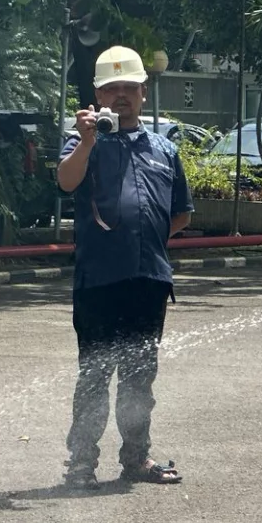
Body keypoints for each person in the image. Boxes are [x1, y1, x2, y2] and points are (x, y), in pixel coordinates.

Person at [55, 45, 193, 488]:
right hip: (98, 283)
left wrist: (145, 242)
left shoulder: (163, 149)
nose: (120, 96)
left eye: (128, 88)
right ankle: (81, 465)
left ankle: (136, 459)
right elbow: (66, 180)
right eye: (111, 88)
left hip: (148, 282)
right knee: (94, 376)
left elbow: (181, 213)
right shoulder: (82, 140)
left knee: (139, 378)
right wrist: (90, 138)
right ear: (97, 93)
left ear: (143, 93)